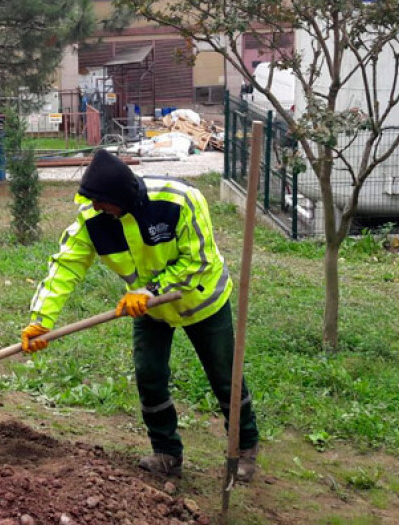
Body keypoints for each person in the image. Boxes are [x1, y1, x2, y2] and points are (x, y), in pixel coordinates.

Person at [19, 149, 260, 480]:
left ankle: (244, 447)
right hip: (149, 309)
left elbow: (199, 260)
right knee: (149, 375)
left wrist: (152, 291)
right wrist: (41, 320)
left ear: (123, 197)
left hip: (202, 301)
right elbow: (65, 265)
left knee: (224, 376)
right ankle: (166, 453)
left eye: (102, 202)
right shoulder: (93, 220)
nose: (95, 208)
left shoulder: (181, 199)